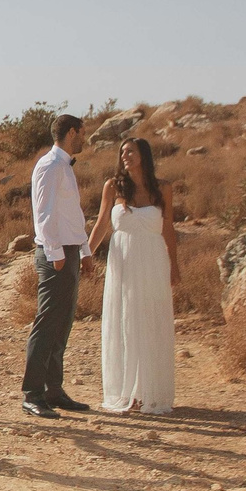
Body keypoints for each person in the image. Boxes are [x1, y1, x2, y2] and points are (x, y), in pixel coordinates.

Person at [88, 136, 181, 414]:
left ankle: (149, 391)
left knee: (150, 321)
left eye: (131, 151)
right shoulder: (113, 186)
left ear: (144, 155)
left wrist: (174, 265)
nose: (125, 156)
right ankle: (128, 393)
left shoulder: (163, 188)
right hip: (124, 263)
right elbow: (102, 223)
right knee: (126, 321)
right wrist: (85, 255)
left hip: (153, 261)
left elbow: (168, 229)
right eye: (122, 152)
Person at [22, 114, 92, 418]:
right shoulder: (50, 166)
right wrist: (54, 252)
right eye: (83, 133)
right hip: (56, 256)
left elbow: (71, 214)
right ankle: (32, 394)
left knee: (62, 324)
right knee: (47, 323)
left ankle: (54, 389)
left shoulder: (64, 166)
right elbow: (44, 212)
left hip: (70, 251)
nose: (85, 139)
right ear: (72, 132)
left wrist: (85, 250)